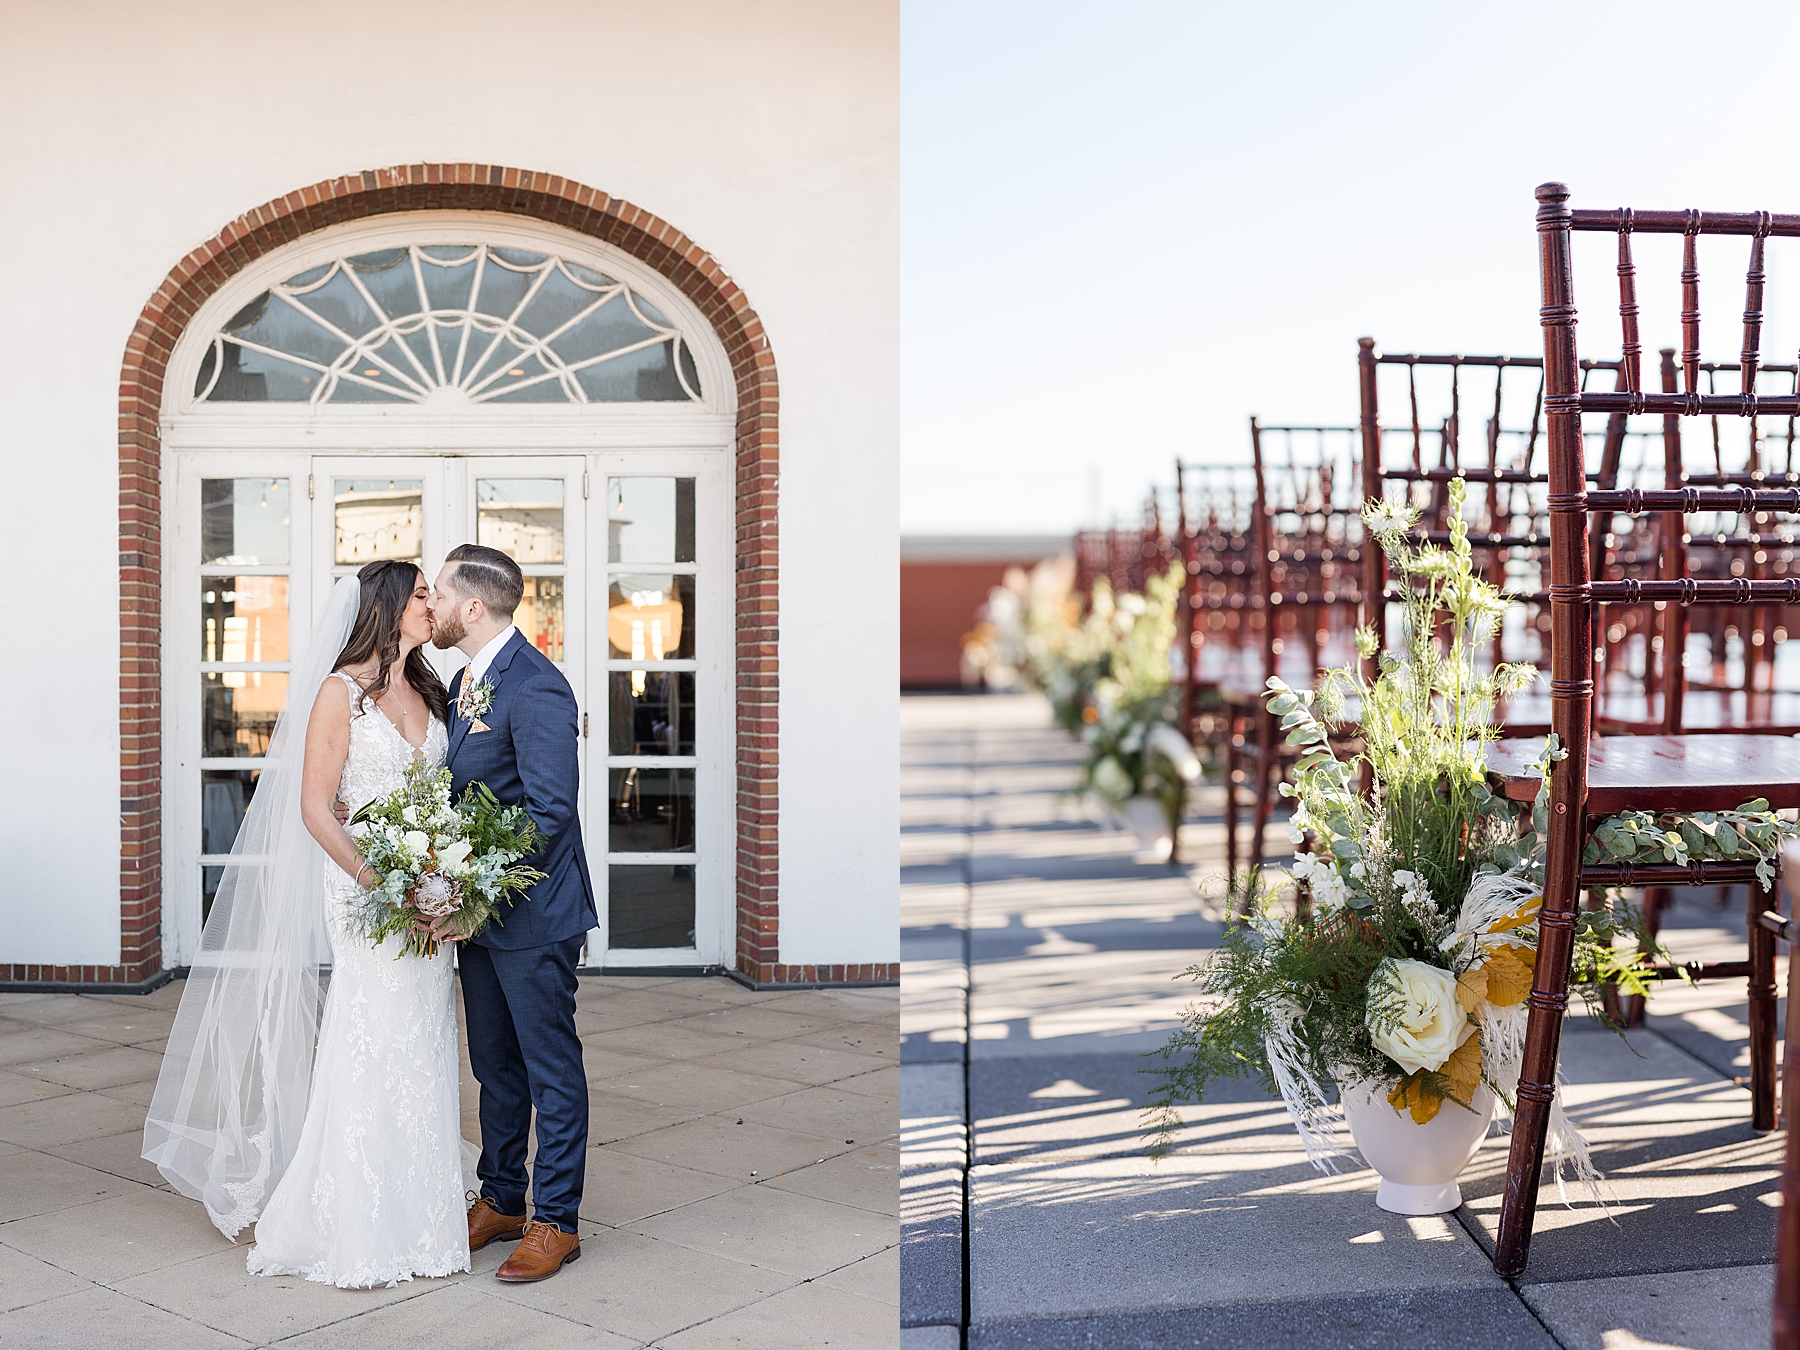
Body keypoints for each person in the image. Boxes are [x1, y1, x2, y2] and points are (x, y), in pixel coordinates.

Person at [144, 560, 470, 1288]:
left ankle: (422, 1217)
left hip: (428, 888)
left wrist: (448, 879)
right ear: (387, 607)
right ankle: (356, 1221)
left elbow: (444, 795)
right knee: (373, 1033)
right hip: (367, 891)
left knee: (423, 1037)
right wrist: (382, 882)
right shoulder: (338, 693)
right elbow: (317, 809)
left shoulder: (430, 687)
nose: (434, 604)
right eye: (422, 594)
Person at [425, 543, 596, 1283]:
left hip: (534, 915)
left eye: (435, 593)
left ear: (473, 606)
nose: (426, 605)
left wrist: (476, 895)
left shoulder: (537, 687)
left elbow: (550, 813)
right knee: (493, 1063)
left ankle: (555, 1219)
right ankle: (500, 1197)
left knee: (549, 1068)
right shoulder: (468, 680)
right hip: (480, 919)